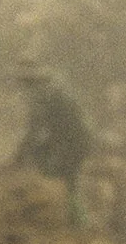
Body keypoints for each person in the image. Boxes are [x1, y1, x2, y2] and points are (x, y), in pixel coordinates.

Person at [11, 57, 93, 224]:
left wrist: (20, 154)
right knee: (67, 179)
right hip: (76, 138)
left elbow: (35, 129)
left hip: (73, 140)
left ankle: (78, 222)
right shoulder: (55, 88)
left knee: (65, 179)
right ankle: (76, 220)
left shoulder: (42, 95)